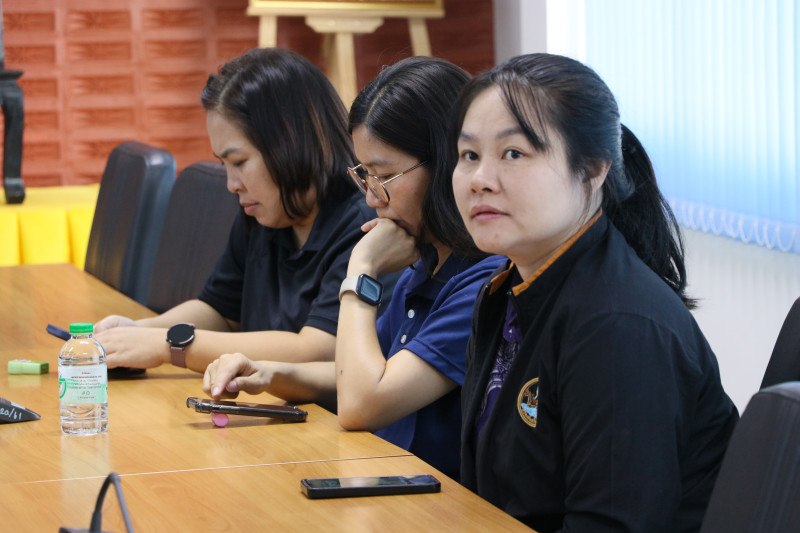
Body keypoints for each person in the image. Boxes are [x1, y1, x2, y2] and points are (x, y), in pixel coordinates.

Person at [451, 53, 739, 532]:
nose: (480, 180)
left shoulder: (617, 326)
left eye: (514, 153)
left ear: (592, 170)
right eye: (469, 156)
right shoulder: (505, 288)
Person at [203, 56, 505, 480]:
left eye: (384, 176)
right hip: (383, 475)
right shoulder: (424, 267)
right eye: (365, 176)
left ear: (447, 164)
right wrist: (269, 373)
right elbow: (356, 373)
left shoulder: (483, 281)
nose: (371, 198)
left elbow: (361, 403)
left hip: (430, 499)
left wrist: (361, 267)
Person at [93, 48, 392, 373]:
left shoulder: (364, 223)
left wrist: (167, 344)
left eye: (239, 162)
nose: (231, 184)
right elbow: (220, 311)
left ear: (291, 142)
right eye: (224, 164)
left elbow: (318, 349)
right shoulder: (265, 211)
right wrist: (138, 332)